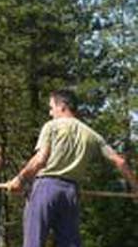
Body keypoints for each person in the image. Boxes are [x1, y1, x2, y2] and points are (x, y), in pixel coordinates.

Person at [7, 89, 138, 247]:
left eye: (51, 107)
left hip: (46, 188)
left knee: (33, 242)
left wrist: (20, 179)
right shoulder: (92, 135)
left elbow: (41, 159)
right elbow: (120, 162)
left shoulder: (52, 127)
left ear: (62, 106)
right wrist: (135, 189)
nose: (50, 112)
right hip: (71, 193)